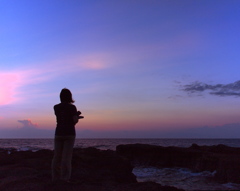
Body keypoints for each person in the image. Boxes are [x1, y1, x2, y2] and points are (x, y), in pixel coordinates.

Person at [52, 88, 82, 182]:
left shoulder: (56, 107)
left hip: (59, 133)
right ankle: (65, 178)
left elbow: (61, 117)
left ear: (60, 97)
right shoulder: (72, 107)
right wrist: (77, 116)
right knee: (66, 157)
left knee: (57, 156)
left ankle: (55, 177)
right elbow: (73, 121)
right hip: (69, 133)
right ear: (70, 97)